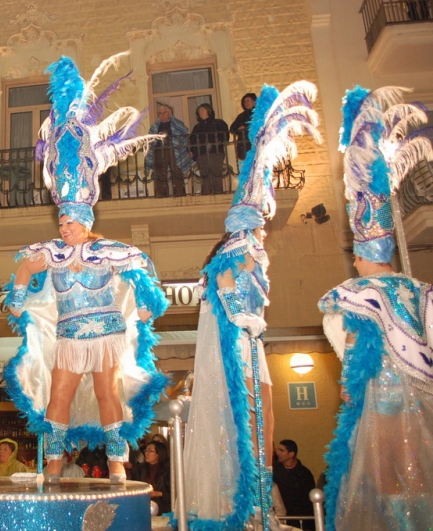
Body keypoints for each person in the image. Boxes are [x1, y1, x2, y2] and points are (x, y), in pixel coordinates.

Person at [3, 53, 169, 486]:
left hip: (107, 333)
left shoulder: (110, 250)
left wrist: (147, 306)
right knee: (58, 395)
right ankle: (54, 465)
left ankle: (117, 465)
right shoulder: (49, 252)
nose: (65, 227)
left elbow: (144, 270)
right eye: (61, 221)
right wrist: (18, 296)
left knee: (106, 393)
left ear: (87, 221)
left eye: (72, 222)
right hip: (69, 335)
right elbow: (22, 276)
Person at [182, 82, 320, 531]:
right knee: (246, 417)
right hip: (236, 340)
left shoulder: (256, 253)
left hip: (252, 340)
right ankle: (244, 505)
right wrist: (239, 314)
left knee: (266, 417)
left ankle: (261, 501)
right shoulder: (236, 250)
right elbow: (221, 279)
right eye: (260, 219)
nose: (264, 226)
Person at [319, 86, 433, 531]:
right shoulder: (419, 289)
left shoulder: (357, 292)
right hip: (422, 395)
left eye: (356, 254)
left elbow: (352, 340)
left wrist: (349, 386)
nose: (354, 262)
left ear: (361, 253)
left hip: (380, 396)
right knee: (418, 476)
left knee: (386, 481)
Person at [145, 104, 191, 197]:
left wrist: (188, 149)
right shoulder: (155, 126)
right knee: (160, 174)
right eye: (160, 113)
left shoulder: (177, 124)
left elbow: (185, 136)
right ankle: (162, 195)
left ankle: (179, 194)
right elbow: (150, 141)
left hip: (173, 151)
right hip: (159, 151)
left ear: (169, 113)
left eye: (164, 112)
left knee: (177, 172)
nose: (162, 115)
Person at [273, 440, 315, 529]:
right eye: (278, 450)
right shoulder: (274, 471)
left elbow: (308, 502)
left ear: (291, 454)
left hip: (299, 520)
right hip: (279, 519)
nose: (278, 453)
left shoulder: (304, 474)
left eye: (282, 450)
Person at [189, 103, 229, 195]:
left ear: (208, 111)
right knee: (205, 174)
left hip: (215, 152)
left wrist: (221, 141)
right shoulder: (197, 127)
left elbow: (225, 134)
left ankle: (218, 193)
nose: (200, 112)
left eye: (202, 110)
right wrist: (192, 150)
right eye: (199, 111)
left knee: (216, 173)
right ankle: (206, 194)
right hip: (202, 154)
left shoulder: (218, 123)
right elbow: (193, 140)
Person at [131, 441, 170, 515]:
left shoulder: (167, 470)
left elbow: (172, 494)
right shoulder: (140, 469)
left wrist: (157, 493)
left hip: (163, 509)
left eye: (150, 451)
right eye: (146, 450)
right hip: (142, 505)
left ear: (159, 454)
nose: (146, 453)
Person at [230, 93, 257, 161]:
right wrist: (238, 129)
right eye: (244, 102)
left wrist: (246, 127)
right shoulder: (242, 116)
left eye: (248, 100)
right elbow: (232, 128)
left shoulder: (259, 113)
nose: (246, 103)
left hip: (256, 144)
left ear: (254, 101)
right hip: (244, 146)